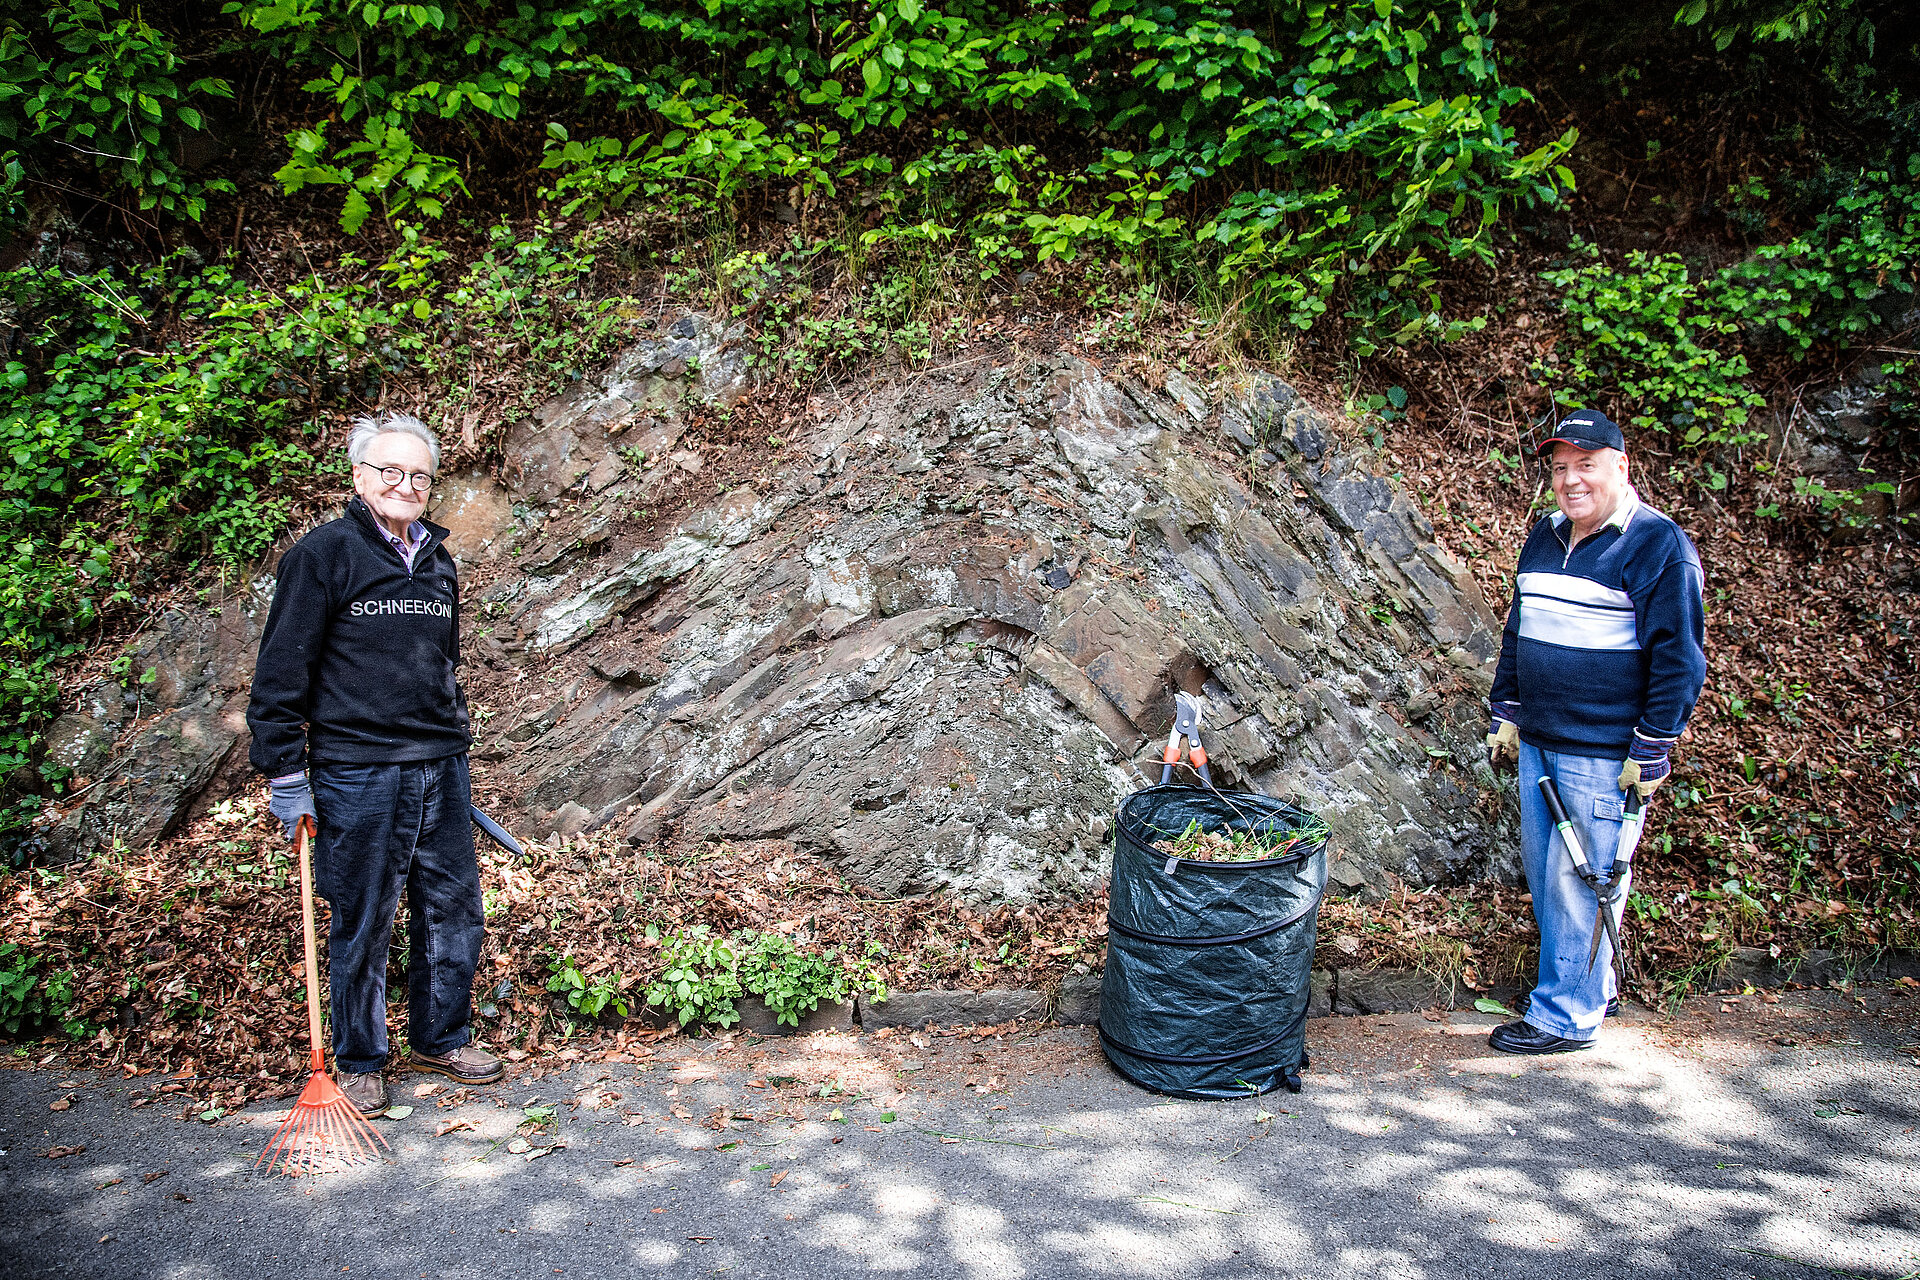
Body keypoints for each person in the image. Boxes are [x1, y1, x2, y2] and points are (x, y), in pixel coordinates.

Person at [246, 411, 501, 1116]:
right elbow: (281, 672)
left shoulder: (440, 562)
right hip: (357, 773)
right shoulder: (323, 555)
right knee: (364, 917)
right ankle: (360, 1058)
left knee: (453, 911)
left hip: (440, 767)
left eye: (420, 475)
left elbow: (441, 665)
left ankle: (440, 1037)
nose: (407, 485)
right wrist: (286, 774)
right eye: (392, 471)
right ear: (360, 478)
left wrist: (448, 739)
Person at [1485, 409, 1707, 1054]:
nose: (1571, 480)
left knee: (1582, 881)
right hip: (1540, 742)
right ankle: (1589, 992)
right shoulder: (1546, 535)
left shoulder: (1658, 546)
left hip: (1605, 752)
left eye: (1586, 465)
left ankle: (1564, 1018)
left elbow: (1679, 657)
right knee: (1547, 876)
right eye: (1560, 468)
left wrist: (1654, 744)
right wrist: (1508, 709)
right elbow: (1519, 631)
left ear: (1620, 467)